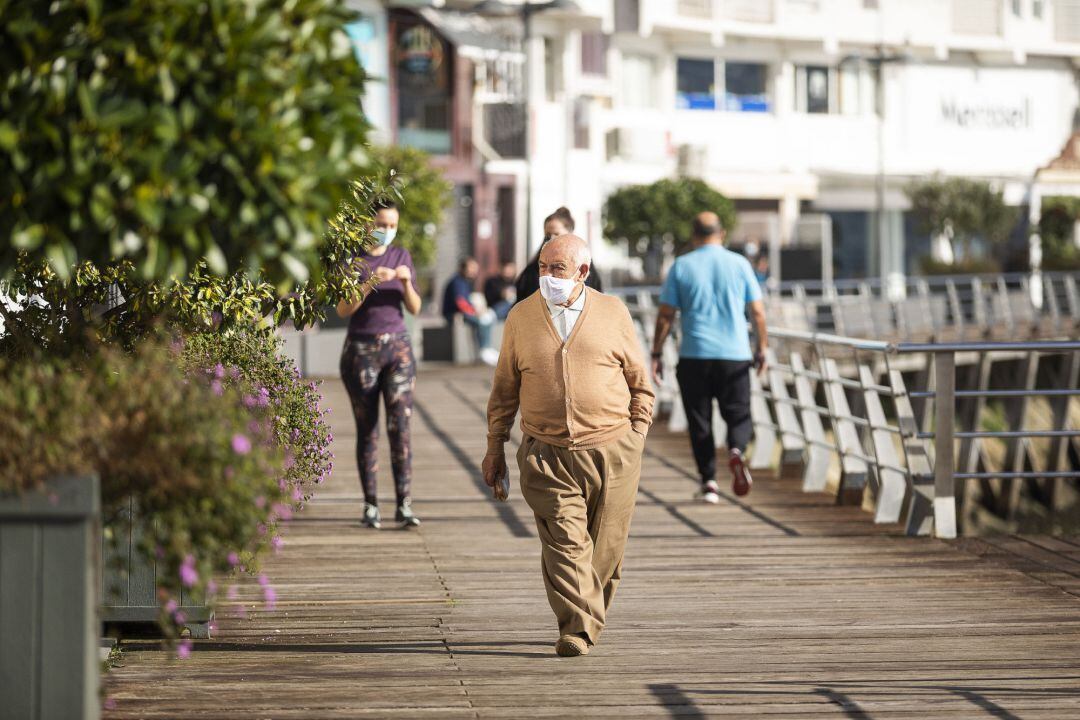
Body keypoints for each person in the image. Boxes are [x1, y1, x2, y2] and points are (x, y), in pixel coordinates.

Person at [484, 234, 654, 658]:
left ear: (582, 272)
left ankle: (586, 618)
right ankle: (576, 629)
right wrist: (495, 446)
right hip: (545, 452)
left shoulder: (613, 312)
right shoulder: (520, 317)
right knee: (565, 542)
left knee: (607, 551)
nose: (546, 276)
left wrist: (638, 433)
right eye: (542, 266)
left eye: (557, 268)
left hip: (614, 449)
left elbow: (640, 382)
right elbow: (504, 389)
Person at [650, 211, 768, 504]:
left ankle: (709, 483)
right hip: (735, 355)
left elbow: (666, 315)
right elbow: (758, 313)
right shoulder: (740, 264)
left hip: (694, 355)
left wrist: (655, 352)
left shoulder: (681, 266)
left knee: (699, 421)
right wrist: (761, 348)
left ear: (693, 235)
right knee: (738, 413)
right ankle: (737, 450)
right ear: (722, 233)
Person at [336, 199, 422, 530]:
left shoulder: (401, 256)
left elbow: (414, 307)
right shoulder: (352, 259)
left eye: (391, 225)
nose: (387, 231)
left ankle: (404, 503)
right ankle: (371, 505)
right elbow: (344, 309)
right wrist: (369, 280)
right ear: (368, 223)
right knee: (367, 427)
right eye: (382, 224)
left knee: (400, 426)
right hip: (361, 349)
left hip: (397, 347)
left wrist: (404, 283)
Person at [514, 207, 602, 304]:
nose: (552, 238)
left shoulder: (583, 261)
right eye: (548, 235)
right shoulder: (532, 270)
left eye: (557, 234)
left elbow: (595, 298)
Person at [442, 257, 499, 366]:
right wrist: (475, 313)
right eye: (471, 268)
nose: (474, 271)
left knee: (485, 319)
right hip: (453, 314)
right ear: (463, 268)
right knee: (482, 320)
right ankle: (484, 350)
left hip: (463, 313)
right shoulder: (457, 281)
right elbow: (460, 302)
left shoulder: (465, 282)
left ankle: (486, 348)